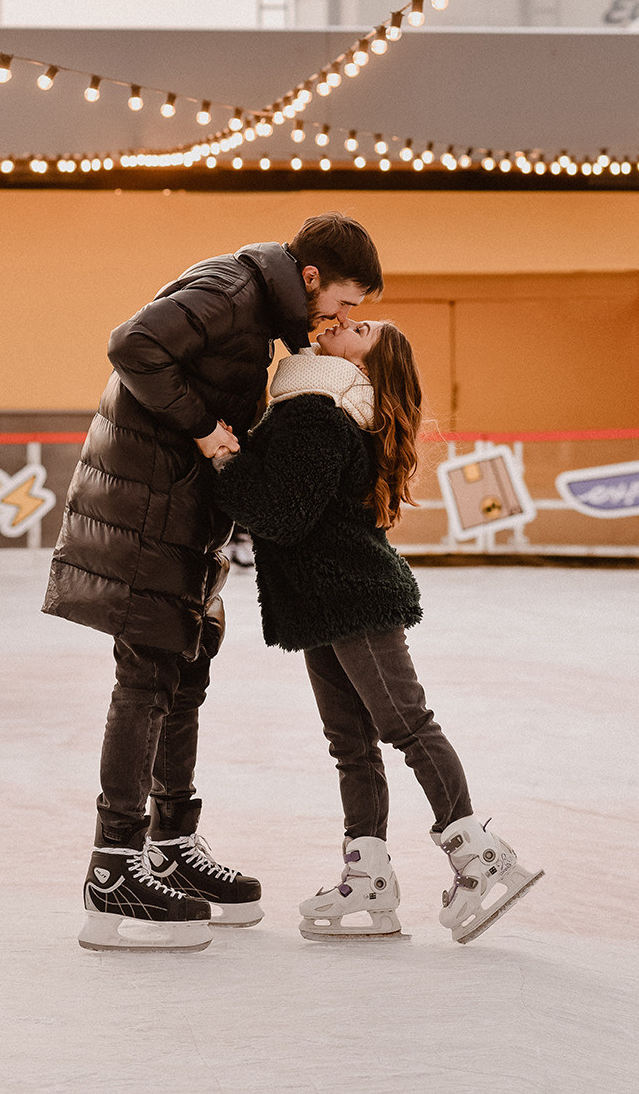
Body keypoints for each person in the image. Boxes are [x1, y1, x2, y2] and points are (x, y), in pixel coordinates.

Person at [42, 213, 384, 952]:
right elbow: (131, 342)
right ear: (314, 278)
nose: (344, 318)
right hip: (146, 505)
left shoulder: (258, 307)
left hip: (180, 508)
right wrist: (203, 427)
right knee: (147, 672)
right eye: (345, 301)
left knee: (186, 664)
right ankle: (113, 867)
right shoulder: (232, 287)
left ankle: (168, 843)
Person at [205, 319, 543, 944]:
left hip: (351, 597)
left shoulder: (326, 416)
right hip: (321, 602)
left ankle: (480, 856)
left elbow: (279, 513)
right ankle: (369, 878)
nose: (341, 325)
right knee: (350, 745)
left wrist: (225, 456)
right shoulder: (326, 409)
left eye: (359, 328)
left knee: (406, 724)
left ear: (369, 366)